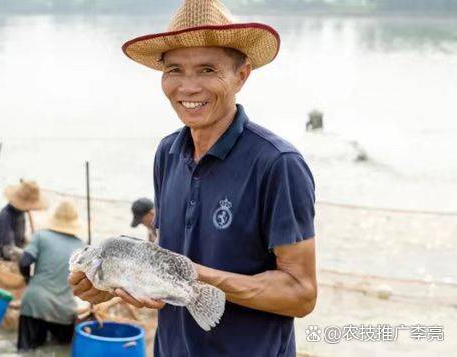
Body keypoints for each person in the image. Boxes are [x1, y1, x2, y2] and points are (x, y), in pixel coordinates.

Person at [70, 1, 317, 356]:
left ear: (241, 76)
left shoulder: (277, 163)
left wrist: (192, 278)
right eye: (174, 70)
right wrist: (117, 283)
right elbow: (167, 257)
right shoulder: (168, 152)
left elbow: (301, 294)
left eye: (207, 70)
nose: (188, 87)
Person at [17, 200, 85, 350]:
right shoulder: (82, 246)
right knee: (60, 350)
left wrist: (29, 280)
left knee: (27, 352)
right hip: (65, 310)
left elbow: (24, 262)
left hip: (35, 303)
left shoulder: (41, 236)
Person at [0, 179, 47, 261]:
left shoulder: (20, 213)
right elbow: (7, 250)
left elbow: (21, 239)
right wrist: (30, 256)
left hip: (19, 261)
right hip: (9, 265)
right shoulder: (6, 216)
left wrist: (33, 246)